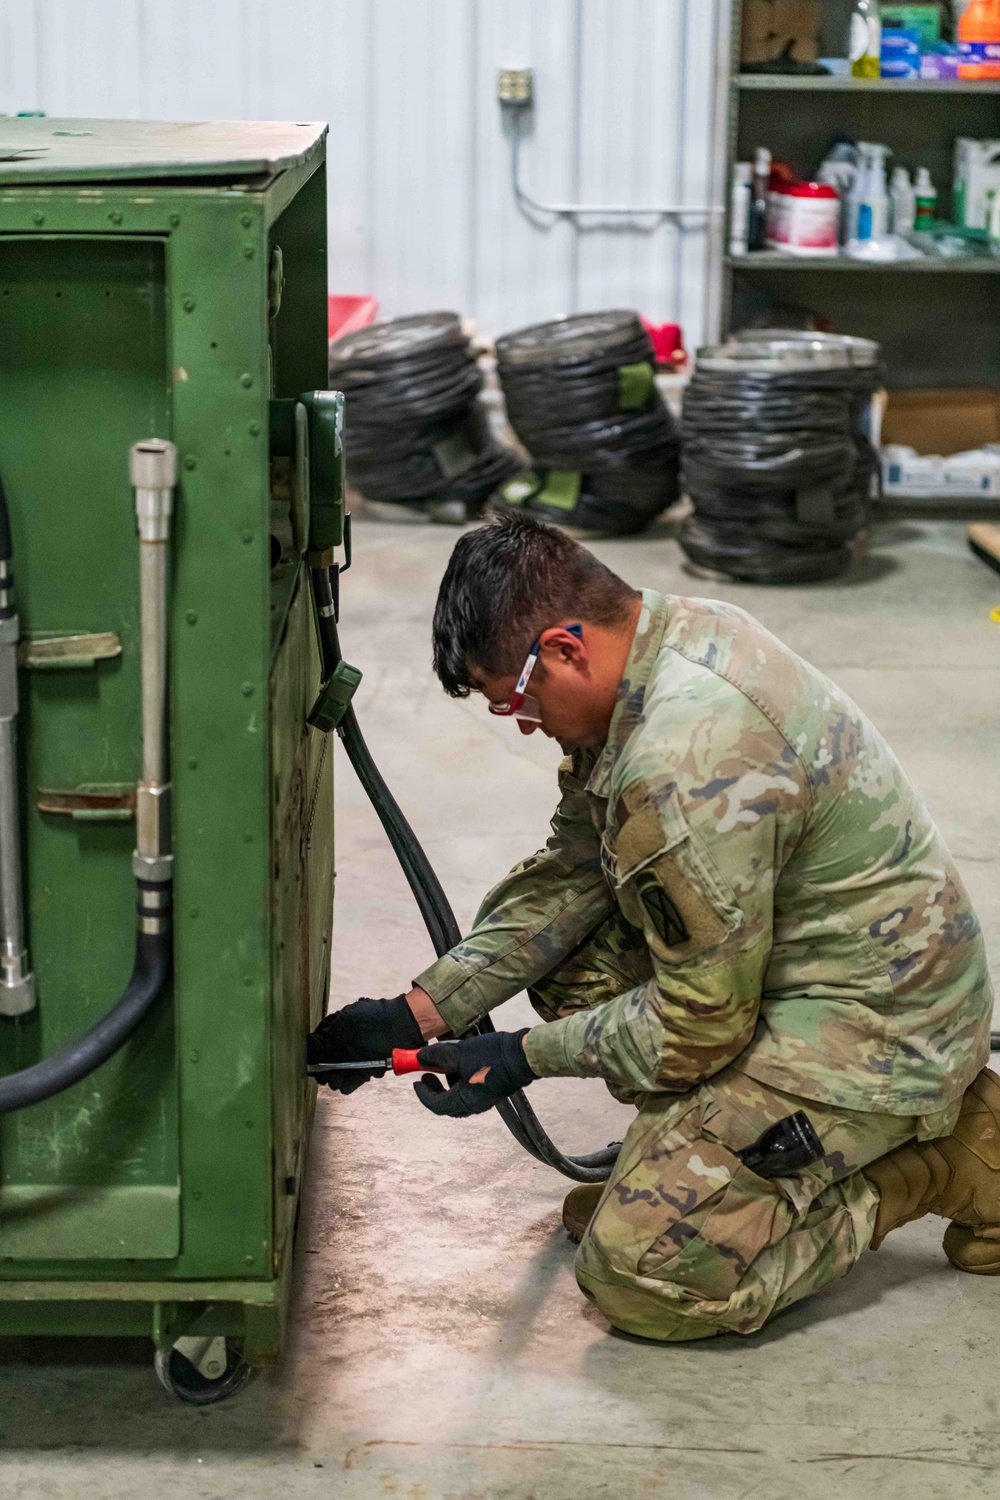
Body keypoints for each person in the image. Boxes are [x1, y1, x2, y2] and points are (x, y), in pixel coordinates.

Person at [308, 513, 996, 1343]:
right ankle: (708, 1171)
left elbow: (697, 1026)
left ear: (564, 648)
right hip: (807, 976)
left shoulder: (687, 756)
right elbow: (570, 879)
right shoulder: (656, 646)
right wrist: (419, 1015)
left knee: (645, 1274)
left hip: (884, 1035)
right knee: (573, 961)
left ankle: (938, 1159)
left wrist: (520, 1056)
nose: (524, 724)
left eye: (516, 701)